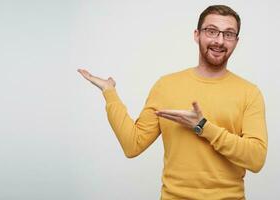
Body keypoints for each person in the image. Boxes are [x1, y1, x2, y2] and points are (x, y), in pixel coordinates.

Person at [78, 4, 268, 200]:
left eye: (228, 34)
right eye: (211, 31)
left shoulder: (249, 93)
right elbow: (132, 144)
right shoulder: (166, 86)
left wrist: (203, 127)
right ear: (197, 35)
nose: (219, 40)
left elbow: (256, 159)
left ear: (236, 41)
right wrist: (110, 93)